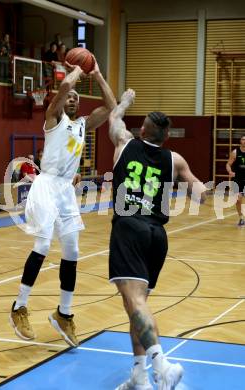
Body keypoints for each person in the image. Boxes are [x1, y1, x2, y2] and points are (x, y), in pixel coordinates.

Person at [9, 57, 116, 346]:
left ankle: (63, 314)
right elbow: (66, 85)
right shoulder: (53, 119)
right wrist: (77, 70)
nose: (71, 97)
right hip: (45, 184)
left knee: (73, 249)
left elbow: (111, 106)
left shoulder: (82, 125)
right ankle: (19, 307)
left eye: (75, 97)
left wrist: (97, 72)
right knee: (43, 244)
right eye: (67, 96)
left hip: (66, 191)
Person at [108, 89, 207, 390]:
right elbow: (201, 195)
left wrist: (125, 101)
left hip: (129, 229)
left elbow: (114, 117)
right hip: (157, 236)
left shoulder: (125, 144)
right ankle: (139, 375)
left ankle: (161, 366)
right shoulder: (174, 159)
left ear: (141, 131)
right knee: (135, 306)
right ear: (166, 138)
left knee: (135, 302)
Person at [226, 135, 245, 226]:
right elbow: (228, 164)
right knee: (238, 199)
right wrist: (230, 171)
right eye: (243, 139)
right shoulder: (235, 152)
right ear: (240, 141)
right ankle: (241, 218)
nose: (244, 141)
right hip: (239, 179)